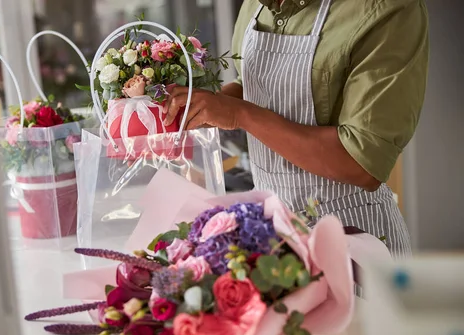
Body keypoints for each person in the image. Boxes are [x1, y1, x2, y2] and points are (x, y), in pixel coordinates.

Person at [163, 0, 429, 258]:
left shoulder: (386, 9)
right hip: (273, 235)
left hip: (354, 239)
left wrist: (237, 113)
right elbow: (253, 85)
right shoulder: (255, 6)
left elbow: (360, 163)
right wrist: (201, 108)